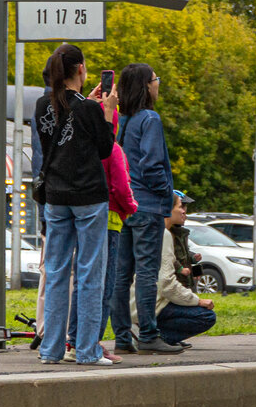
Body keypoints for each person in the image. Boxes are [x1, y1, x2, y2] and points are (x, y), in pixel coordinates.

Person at [34, 44, 118, 366]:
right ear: (81, 69)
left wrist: (93, 106)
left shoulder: (42, 105)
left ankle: (51, 351)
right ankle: (86, 351)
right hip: (89, 198)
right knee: (89, 273)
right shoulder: (88, 109)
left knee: (55, 272)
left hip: (55, 197)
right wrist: (106, 113)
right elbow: (105, 149)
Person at [110, 63, 182, 355]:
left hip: (124, 205)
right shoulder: (150, 119)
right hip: (148, 205)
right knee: (147, 273)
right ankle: (149, 335)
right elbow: (152, 164)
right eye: (155, 80)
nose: (158, 84)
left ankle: (122, 337)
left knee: (121, 274)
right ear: (146, 86)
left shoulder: (121, 120)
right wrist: (165, 192)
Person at [63, 107, 138, 362]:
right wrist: (131, 208)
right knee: (103, 286)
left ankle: (74, 341)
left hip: (84, 221)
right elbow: (120, 185)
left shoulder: (84, 149)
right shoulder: (113, 149)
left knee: (82, 284)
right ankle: (93, 342)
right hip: (111, 222)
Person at [136, 190, 215, 348]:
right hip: (160, 296)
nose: (185, 211)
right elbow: (168, 278)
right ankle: (154, 337)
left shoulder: (171, 233)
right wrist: (197, 300)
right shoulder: (164, 234)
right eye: (181, 206)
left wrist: (195, 266)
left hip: (146, 299)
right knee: (206, 316)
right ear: (166, 208)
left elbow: (186, 256)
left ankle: (152, 335)